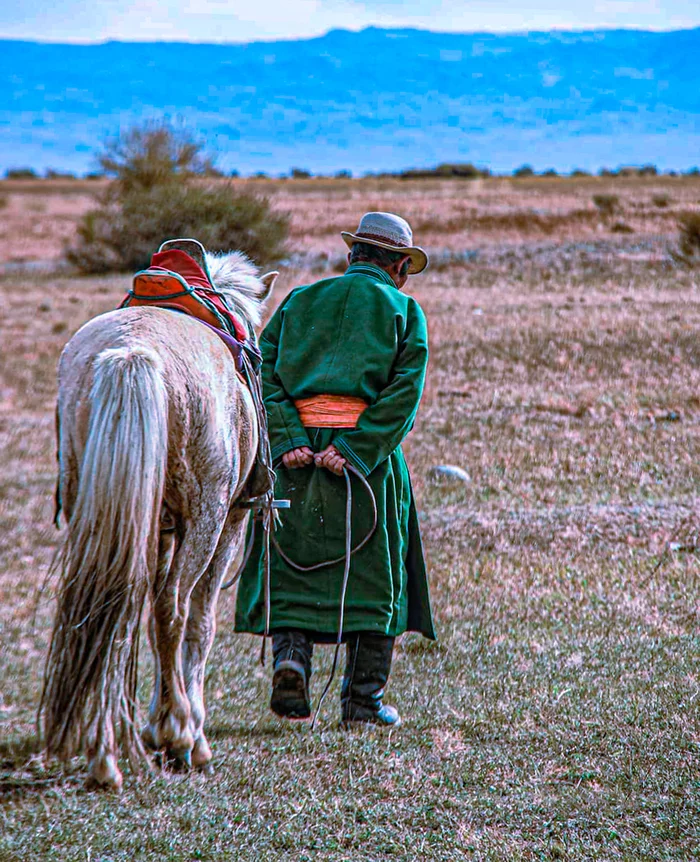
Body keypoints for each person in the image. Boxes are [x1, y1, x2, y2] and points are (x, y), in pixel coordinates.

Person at [234, 211, 435, 727]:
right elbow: (402, 396)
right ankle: (362, 703)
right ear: (399, 268)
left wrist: (288, 439)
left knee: (292, 562)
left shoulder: (299, 301)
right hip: (366, 466)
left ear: (352, 258)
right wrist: (356, 448)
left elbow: (262, 372)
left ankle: (291, 663)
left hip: (295, 463)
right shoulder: (405, 312)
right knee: (377, 571)